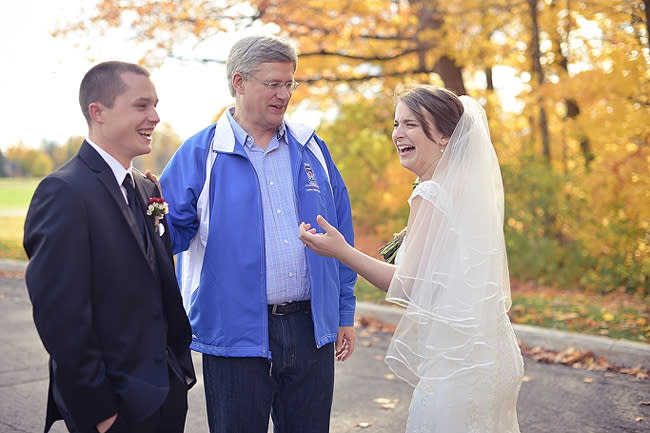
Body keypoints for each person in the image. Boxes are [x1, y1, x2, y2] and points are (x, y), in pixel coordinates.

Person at [158, 35, 357, 433]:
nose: (284, 94)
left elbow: (341, 233)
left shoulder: (311, 147)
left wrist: (343, 311)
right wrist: (146, 210)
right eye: (273, 84)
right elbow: (169, 237)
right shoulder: (201, 153)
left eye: (290, 84)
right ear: (239, 82)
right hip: (234, 334)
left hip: (310, 330)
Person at [299, 85, 525, 432]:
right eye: (395, 124)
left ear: (445, 137)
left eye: (411, 125)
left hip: (458, 364)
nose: (397, 134)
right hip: (495, 354)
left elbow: (406, 285)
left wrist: (341, 251)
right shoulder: (467, 190)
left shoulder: (431, 193)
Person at [23, 61, 196, 433]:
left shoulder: (148, 189)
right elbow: (61, 318)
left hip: (166, 392)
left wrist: (177, 370)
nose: (155, 116)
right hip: (113, 406)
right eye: (141, 105)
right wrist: (100, 413)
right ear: (97, 112)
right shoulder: (64, 192)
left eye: (155, 105)